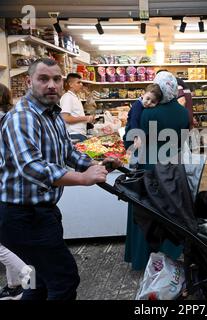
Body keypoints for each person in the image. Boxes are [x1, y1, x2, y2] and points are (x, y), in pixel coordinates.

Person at [0, 58, 121, 300]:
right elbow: (32, 167)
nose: (51, 85)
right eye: (43, 79)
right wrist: (82, 178)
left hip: (42, 212)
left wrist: (97, 165)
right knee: (64, 279)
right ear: (29, 81)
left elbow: (68, 152)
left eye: (56, 79)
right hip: (22, 216)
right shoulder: (23, 117)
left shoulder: (52, 114)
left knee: (39, 283)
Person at [124, 71, 190, 271]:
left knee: (145, 211)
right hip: (173, 165)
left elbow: (132, 139)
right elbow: (183, 139)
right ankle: (172, 253)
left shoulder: (147, 111)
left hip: (149, 166)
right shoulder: (182, 111)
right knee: (171, 209)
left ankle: (144, 258)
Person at [0, 84, 32, 300]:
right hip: (12, 188)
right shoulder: (11, 117)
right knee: (9, 240)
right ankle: (14, 285)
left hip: (5, 186)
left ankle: (28, 277)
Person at [123, 83, 163, 167]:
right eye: (147, 98)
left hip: (138, 132)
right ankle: (132, 169)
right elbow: (134, 121)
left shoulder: (145, 107)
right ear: (143, 94)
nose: (148, 103)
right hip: (131, 131)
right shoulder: (137, 105)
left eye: (153, 102)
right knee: (132, 151)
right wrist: (136, 137)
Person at [60, 73, 95, 142]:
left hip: (79, 134)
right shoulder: (67, 97)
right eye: (78, 82)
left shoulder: (75, 97)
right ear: (70, 84)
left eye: (81, 82)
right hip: (73, 135)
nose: (81, 84)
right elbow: (65, 118)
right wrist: (86, 118)